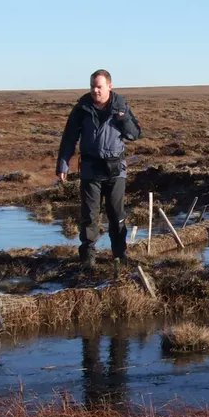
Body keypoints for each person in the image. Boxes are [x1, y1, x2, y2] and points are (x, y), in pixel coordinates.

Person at [56, 69, 141, 269]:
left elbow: (135, 134)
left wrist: (123, 119)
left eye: (99, 87)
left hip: (115, 170)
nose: (95, 90)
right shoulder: (82, 108)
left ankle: (119, 255)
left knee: (116, 214)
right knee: (89, 215)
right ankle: (88, 258)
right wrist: (63, 164)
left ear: (109, 87)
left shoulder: (121, 106)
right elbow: (69, 138)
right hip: (90, 169)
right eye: (93, 86)